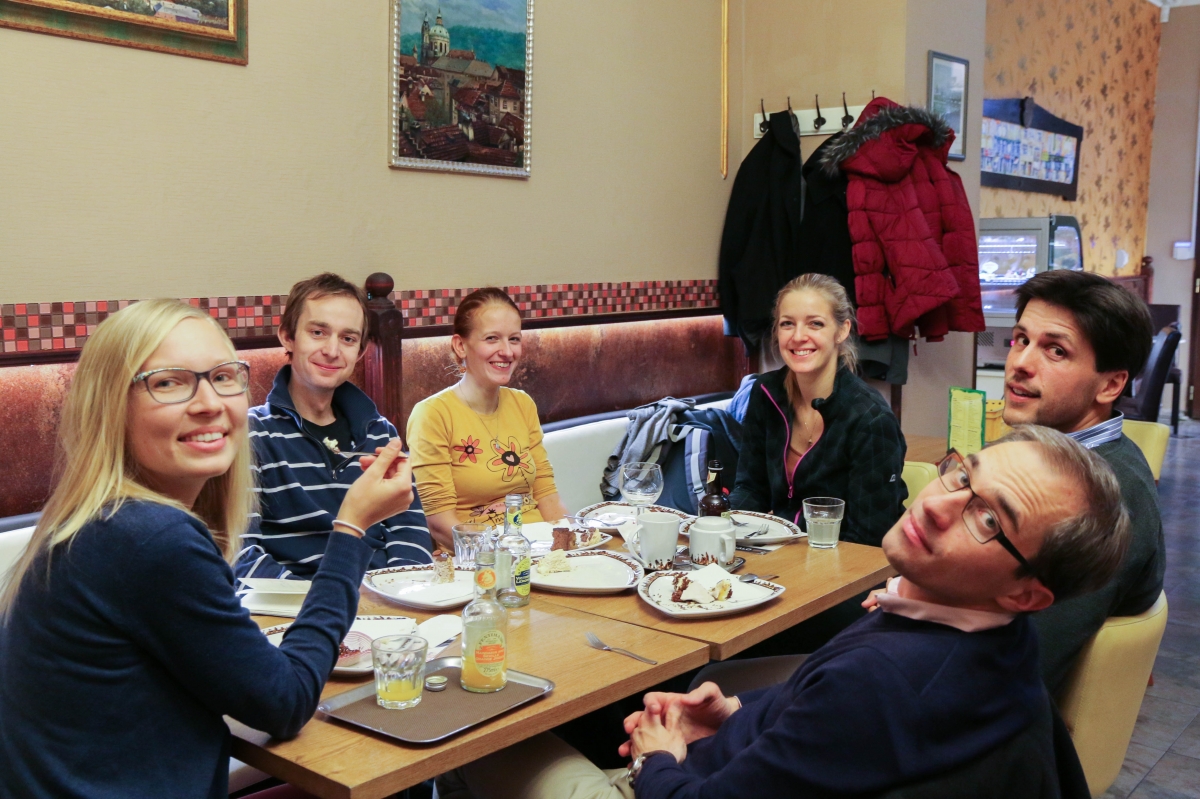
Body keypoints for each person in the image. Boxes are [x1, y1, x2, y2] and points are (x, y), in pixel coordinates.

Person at [436, 426, 1127, 799]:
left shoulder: (885, 681)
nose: (940, 504)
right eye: (962, 475)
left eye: (988, 519)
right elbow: (828, 715)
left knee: (490, 735)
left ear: (1026, 593)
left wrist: (656, 762)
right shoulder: (994, 639)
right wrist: (736, 712)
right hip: (729, 755)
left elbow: (852, 701)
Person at [0, 299, 414, 798]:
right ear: (110, 405)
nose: (209, 403)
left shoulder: (103, 517)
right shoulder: (148, 537)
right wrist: (351, 528)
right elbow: (285, 703)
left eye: (222, 377)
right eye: (168, 382)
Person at [1002, 268, 1165, 694]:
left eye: (1055, 351)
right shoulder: (1041, 454)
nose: (1020, 363)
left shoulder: (1102, 496)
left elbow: (1023, 666)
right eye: (1021, 340)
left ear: (1110, 385)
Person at [236, 273, 432, 579]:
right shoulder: (251, 434)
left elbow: (412, 536)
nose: (332, 350)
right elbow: (240, 556)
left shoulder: (380, 432)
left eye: (348, 339)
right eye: (317, 332)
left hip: (384, 595)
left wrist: (396, 592)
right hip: (296, 601)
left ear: (361, 351)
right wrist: (326, 600)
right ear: (287, 336)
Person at [729, 274, 906, 546]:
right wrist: (723, 524)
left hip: (845, 561)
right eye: (787, 324)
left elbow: (868, 540)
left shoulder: (871, 419)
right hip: (780, 552)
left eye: (815, 323)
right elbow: (751, 488)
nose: (799, 336)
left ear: (842, 331)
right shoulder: (766, 392)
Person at [407, 287, 569, 548]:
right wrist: (506, 555)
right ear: (461, 345)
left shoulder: (522, 404)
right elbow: (439, 523)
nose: (507, 351)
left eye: (514, 339)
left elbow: (547, 495)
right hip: (478, 558)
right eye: (492, 338)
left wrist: (568, 548)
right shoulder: (433, 414)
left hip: (539, 549)